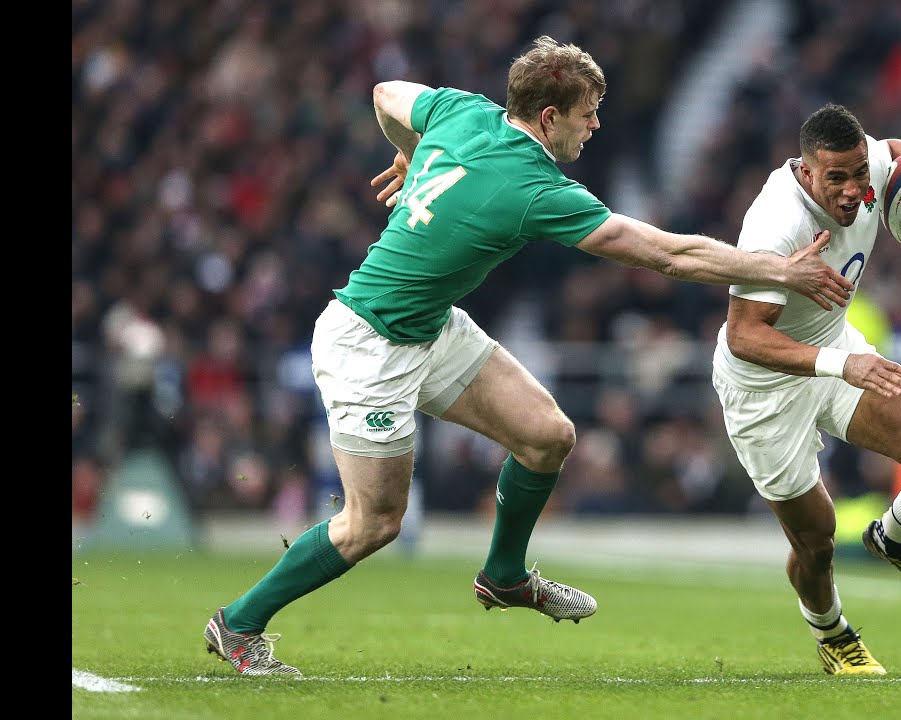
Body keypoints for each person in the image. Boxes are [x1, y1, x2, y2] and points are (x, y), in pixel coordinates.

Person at [201, 36, 854, 677]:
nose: (595, 126)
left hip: (428, 325)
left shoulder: (461, 111)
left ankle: (505, 575)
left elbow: (385, 93)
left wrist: (415, 152)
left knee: (546, 436)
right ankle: (239, 623)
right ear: (548, 117)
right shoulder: (535, 189)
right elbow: (669, 254)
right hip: (369, 344)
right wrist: (778, 269)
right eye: (586, 114)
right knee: (372, 523)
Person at [709, 102, 901, 676]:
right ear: (807, 172)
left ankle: (894, 538)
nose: (855, 189)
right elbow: (744, 336)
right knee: (817, 543)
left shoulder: (866, 164)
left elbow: (896, 152)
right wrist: (842, 365)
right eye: (837, 178)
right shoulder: (774, 225)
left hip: (835, 349)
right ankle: (834, 636)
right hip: (764, 389)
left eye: (859, 173)